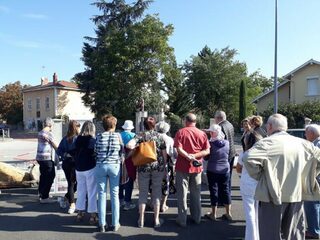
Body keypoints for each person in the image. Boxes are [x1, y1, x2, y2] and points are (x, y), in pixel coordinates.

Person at [243, 114, 320, 240]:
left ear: (270, 126)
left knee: (270, 234)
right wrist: (308, 175)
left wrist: (262, 176)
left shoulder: (266, 143)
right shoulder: (304, 144)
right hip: (296, 194)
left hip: (272, 195)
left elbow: (248, 158)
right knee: (294, 234)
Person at [127, 116, 167, 228]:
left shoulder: (140, 135)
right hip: (157, 167)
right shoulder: (159, 136)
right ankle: (157, 220)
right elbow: (164, 154)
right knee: (156, 193)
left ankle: (141, 219)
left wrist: (135, 146)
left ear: (144, 125)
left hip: (143, 167)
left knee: (143, 193)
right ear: (155, 125)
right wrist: (164, 167)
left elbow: (129, 145)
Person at [174, 113, 210, 227]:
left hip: (182, 167)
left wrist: (188, 156)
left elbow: (178, 149)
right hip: (197, 167)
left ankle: (182, 219)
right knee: (196, 194)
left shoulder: (180, 132)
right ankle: (197, 217)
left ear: (185, 121)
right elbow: (207, 151)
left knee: (182, 194)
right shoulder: (202, 133)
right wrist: (195, 156)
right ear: (195, 121)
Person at [236, 117, 264, 240]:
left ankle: (251, 237)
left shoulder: (245, 154)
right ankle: (257, 235)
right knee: (258, 212)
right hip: (259, 183)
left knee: (250, 214)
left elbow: (238, 169)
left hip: (247, 184)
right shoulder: (263, 154)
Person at [95, 114, 124, 232]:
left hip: (101, 165)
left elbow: (95, 151)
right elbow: (122, 151)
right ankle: (115, 223)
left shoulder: (99, 136)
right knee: (114, 194)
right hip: (114, 166)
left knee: (101, 194)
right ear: (114, 124)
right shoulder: (118, 136)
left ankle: (102, 223)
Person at [203, 124, 231, 221]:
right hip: (225, 170)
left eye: (211, 132)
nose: (210, 133)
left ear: (213, 133)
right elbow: (229, 154)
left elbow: (206, 157)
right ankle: (228, 213)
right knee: (225, 190)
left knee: (213, 191)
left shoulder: (210, 144)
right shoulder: (227, 143)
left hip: (213, 169)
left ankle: (213, 214)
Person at [74, 121, 98, 225]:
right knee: (92, 192)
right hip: (90, 167)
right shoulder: (92, 140)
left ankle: (79, 212)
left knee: (81, 190)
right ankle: (93, 215)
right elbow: (94, 153)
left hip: (79, 168)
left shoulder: (78, 139)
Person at [57, 120, 80, 214]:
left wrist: (65, 154)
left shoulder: (65, 138)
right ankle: (72, 204)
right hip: (76, 164)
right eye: (78, 127)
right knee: (75, 184)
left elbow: (58, 151)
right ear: (76, 128)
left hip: (66, 163)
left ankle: (68, 199)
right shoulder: (78, 139)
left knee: (71, 183)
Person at [156, 121, 177, 213]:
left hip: (153, 164)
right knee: (166, 184)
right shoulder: (169, 139)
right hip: (166, 164)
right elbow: (172, 154)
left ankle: (154, 203)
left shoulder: (152, 137)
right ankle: (163, 204)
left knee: (154, 184)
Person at [36, 117, 58, 203]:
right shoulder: (48, 134)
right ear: (49, 124)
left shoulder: (40, 133)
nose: (52, 127)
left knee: (43, 176)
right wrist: (61, 152)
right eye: (52, 125)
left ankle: (41, 193)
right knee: (50, 175)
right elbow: (54, 145)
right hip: (46, 158)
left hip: (39, 158)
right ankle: (45, 197)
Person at [304, 124, 320, 239]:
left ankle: (314, 231)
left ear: (312, 134)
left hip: (316, 178)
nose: (305, 134)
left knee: (312, 204)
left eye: (306, 132)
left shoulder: (316, 145)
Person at [214, 111, 236, 193]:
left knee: (222, 178)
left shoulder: (220, 126)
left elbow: (220, 142)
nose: (215, 120)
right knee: (228, 177)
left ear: (219, 118)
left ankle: (223, 198)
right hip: (232, 152)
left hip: (225, 155)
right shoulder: (230, 124)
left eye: (215, 118)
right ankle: (227, 195)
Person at [119, 120, 136, 211]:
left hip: (119, 160)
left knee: (120, 181)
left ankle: (120, 200)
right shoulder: (133, 136)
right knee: (129, 181)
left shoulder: (119, 135)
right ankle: (127, 202)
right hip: (130, 161)